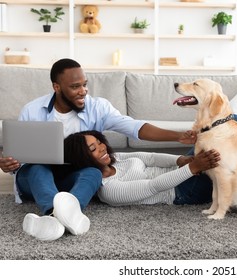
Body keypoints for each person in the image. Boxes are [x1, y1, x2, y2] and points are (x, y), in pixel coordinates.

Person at [0, 58, 197, 241]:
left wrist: (176, 136)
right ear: (57, 87)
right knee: (37, 168)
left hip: (73, 176)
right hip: (37, 178)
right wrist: (10, 163)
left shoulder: (97, 107)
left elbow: (135, 127)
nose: (83, 91)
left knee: (93, 172)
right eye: (75, 87)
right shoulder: (32, 110)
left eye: (84, 84)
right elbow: (20, 156)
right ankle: (55, 213)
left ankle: (53, 221)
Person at [64, 130, 220, 207]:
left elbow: (150, 157)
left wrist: (181, 160)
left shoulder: (114, 158)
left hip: (184, 170)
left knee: (227, 125)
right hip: (182, 190)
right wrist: (193, 168)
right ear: (82, 159)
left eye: (99, 142)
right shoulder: (109, 190)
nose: (102, 147)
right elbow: (154, 186)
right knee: (221, 147)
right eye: (93, 148)